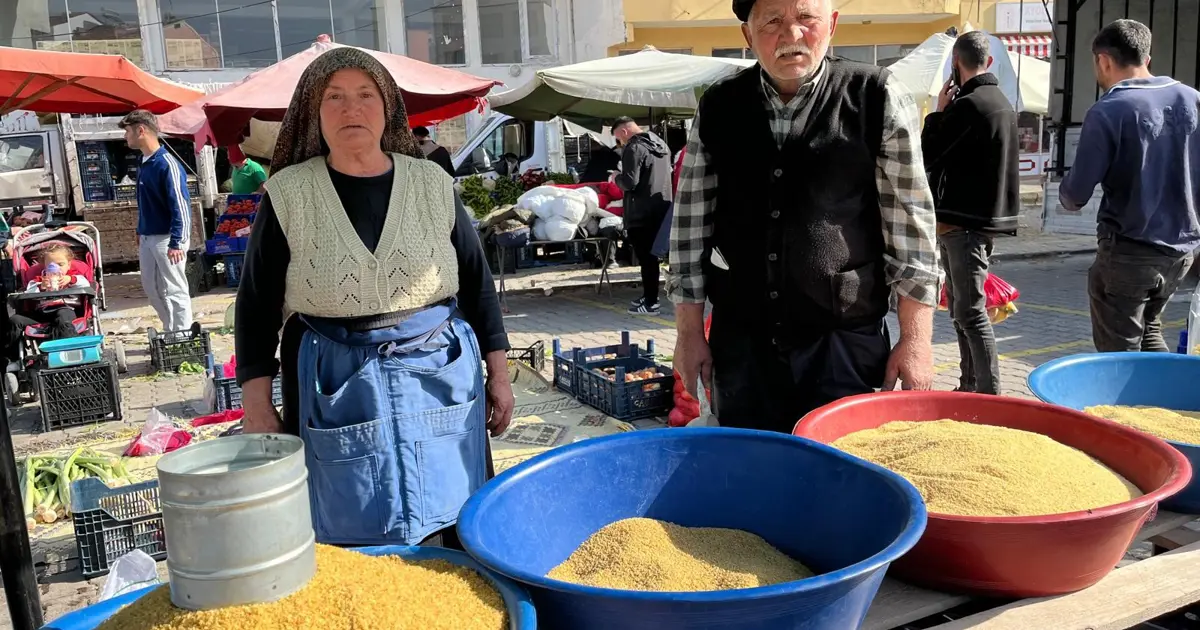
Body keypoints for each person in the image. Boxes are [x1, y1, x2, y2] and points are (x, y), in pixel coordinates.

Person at [233, 47, 514, 550]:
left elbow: (476, 282)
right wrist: (256, 399)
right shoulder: (288, 193)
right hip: (331, 374)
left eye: (366, 96)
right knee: (348, 513)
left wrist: (500, 373)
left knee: (449, 506)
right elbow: (256, 303)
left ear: (389, 110)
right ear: (313, 115)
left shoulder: (432, 182)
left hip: (437, 369)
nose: (350, 109)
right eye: (333, 98)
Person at [669, 0, 941, 433]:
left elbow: (912, 227)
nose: (791, 35)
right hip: (743, 343)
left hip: (842, 342)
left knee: (842, 472)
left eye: (806, 19)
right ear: (747, 35)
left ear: (831, 25)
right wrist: (688, 333)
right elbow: (690, 225)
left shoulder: (876, 96)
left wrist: (916, 340)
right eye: (773, 22)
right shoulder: (719, 105)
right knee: (752, 471)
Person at [1059, 19, 1200, 353]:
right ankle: (1165, 402)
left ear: (1104, 60)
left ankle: (1134, 404)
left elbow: (1075, 195)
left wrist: (1065, 195)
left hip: (1129, 250)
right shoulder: (1193, 99)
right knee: (1150, 330)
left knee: (1118, 355)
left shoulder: (1109, 110)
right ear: (1147, 60)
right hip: (1181, 252)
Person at [921, 31, 1020, 395]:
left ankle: (988, 392)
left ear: (955, 66)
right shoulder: (1002, 103)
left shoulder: (968, 106)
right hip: (979, 222)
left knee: (971, 312)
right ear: (988, 62)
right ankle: (968, 384)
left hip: (961, 222)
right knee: (963, 310)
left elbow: (928, 156)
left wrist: (937, 113)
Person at [120, 109, 194, 332]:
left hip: (167, 238)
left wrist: (177, 241)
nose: (125, 137)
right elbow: (146, 201)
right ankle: (170, 329)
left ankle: (182, 336)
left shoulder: (166, 163)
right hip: (147, 236)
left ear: (141, 130)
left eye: (128, 132)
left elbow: (180, 205)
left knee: (174, 288)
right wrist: (139, 230)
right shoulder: (143, 162)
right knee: (152, 289)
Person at [612, 116, 673, 315]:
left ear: (624, 132)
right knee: (653, 258)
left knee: (647, 259)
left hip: (640, 213)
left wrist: (616, 178)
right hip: (661, 208)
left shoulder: (634, 148)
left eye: (618, 139)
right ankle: (650, 295)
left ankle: (651, 302)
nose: (619, 144)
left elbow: (630, 182)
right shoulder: (661, 144)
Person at [9, 244, 90, 342]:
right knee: (15, 320)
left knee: (63, 315)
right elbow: (29, 293)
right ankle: (12, 354)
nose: (56, 268)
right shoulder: (37, 281)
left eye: (60, 264)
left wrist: (71, 279)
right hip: (42, 315)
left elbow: (86, 285)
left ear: (68, 265)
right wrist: (41, 286)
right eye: (50, 265)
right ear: (44, 266)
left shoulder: (75, 278)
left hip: (66, 310)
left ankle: (69, 345)